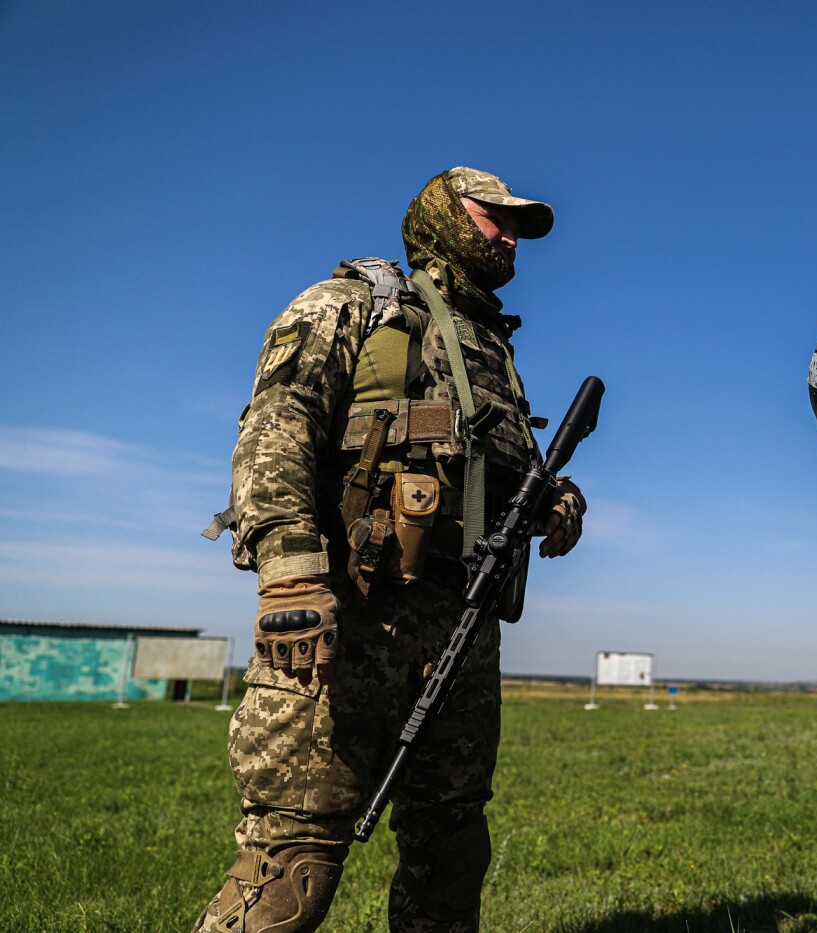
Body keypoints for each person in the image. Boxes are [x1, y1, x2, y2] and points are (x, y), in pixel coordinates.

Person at [195, 166, 586, 932]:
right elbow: (277, 433)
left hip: (460, 636)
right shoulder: (353, 305)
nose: (508, 236)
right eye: (493, 217)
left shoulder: (490, 354)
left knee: (451, 856)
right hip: (346, 619)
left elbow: (498, 479)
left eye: (517, 226)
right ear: (443, 215)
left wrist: (556, 502)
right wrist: (289, 578)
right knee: (291, 869)